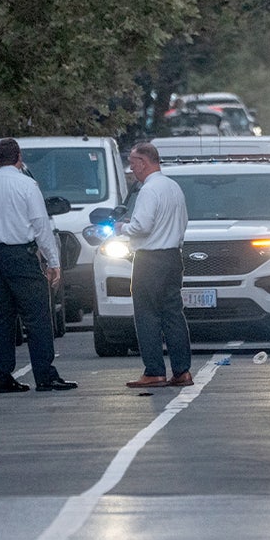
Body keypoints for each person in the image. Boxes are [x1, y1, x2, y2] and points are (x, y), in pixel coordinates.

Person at [0, 138, 77, 393]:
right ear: (18, 157)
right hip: (21, 254)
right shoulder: (27, 184)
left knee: (2, 318)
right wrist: (53, 262)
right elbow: (40, 225)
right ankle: (44, 374)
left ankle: (2, 375)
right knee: (37, 316)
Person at [118, 142, 192, 388]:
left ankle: (154, 371)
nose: (131, 169)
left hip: (150, 259)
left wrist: (124, 228)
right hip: (172, 255)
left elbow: (142, 226)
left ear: (145, 162)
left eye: (133, 163)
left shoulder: (149, 190)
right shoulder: (173, 187)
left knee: (147, 315)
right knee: (173, 314)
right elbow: (182, 221)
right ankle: (182, 370)